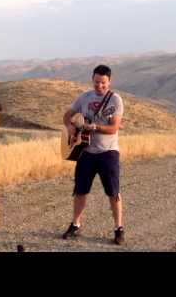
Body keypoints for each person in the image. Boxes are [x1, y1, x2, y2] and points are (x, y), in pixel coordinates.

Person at [61, 64, 125, 245]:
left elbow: (114, 128)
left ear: (109, 81)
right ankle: (75, 224)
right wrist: (71, 128)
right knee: (80, 191)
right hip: (85, 152)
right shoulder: (84, 97)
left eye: (103, 83)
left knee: (113, 192)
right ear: (92, 79)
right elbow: (67, 115)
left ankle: (118, 228)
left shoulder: (115, 100)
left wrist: (95, 127)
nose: (100, 86)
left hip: (108, 152)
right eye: (97, 82)